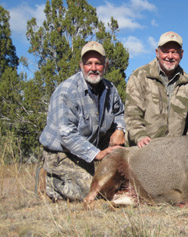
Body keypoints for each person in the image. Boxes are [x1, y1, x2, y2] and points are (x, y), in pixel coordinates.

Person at [39, 41, 126, 201]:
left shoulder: (110, 89)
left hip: (88, 149)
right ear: (81, 65)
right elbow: (67, 135)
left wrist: (120, 129)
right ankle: (50, 181)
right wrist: (97, 154)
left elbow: (120, 112)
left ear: (105, 65)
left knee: (121, 184)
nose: (93, 68)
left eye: (98, 63)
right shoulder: (67, 91)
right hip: (62, 153)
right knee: (95, 193)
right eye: (89, 63)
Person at [125, 31, 188, 148]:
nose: (170, 56)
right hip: (141, 149)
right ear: (157, 52)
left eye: (174, 52)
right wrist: (140, 136)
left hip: (174, 152)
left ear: (182, 54)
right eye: (165, 51)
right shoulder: (139, 76)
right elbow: (132, 114)